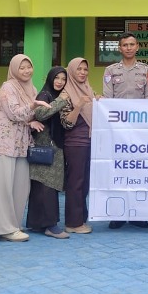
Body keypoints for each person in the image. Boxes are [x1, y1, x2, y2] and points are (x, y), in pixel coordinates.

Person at [0, 54, 48, 243]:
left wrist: (32, 120)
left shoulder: (31, 88)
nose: (26, 71)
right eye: (22, 68)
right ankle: (3, 227)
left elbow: (28, 115)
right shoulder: (8, 87)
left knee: (21, 185)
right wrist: (33, 106)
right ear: (14, 69)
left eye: (29, 67)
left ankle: (15, 225)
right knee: (2, 186)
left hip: (20, 142)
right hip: (3, 141)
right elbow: (14, 113)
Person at [103, 32, 148, 229]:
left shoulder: (146, 70)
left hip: (139, 130)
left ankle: (137, 214)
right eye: (125, 45)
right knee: (117, 170)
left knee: (138, 171)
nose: (129, 48)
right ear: (119, 48)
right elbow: (107, 99)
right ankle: (117, 213)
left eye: (132, 44)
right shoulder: (110, 70)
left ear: (137, 47)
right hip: (117, 129)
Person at [27, 66, 70, 239]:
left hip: (52, 146)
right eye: (57, 78)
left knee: (45, 186)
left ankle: (37, 223)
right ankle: (50, 225)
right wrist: (61, 101)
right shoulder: (45, 95)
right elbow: (40, 113)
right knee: (46, 186)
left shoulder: (53, 95)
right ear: (50, 79)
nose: (60, 82)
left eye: (63, 79)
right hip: (45, 147)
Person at [62, 57, 98, 235]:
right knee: (75, 182)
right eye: (79, 69)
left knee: (84, 182)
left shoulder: (88, 89)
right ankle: (72, 223)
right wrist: (78, 106)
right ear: (71, 71)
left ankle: (80, 218)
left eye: (85, 69)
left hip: (90, 141)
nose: (83, 72)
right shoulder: (66, 93)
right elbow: (66, 123)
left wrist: (97, 101)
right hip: (75, 143)